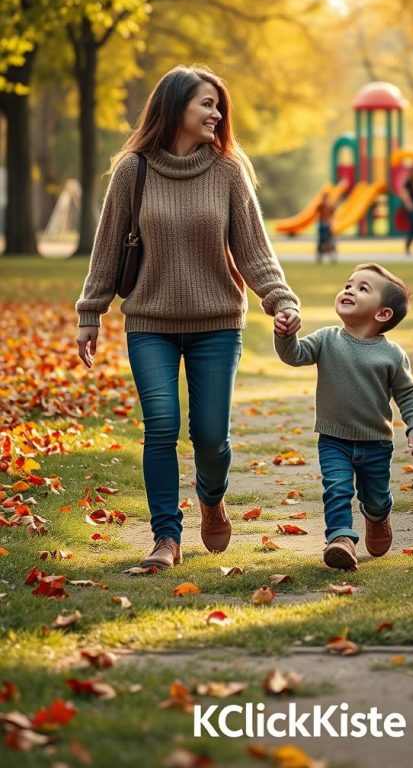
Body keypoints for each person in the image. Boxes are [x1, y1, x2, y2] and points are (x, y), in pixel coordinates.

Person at [76, 65, 300, 569]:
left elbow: (253, 250)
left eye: (220, 105)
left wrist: (280, 299)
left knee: (210, 437)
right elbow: (108, 246)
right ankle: (166, 539)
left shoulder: (227, 171)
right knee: (160, 425)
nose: (217, 114)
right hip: (150, 322)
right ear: (176, 106)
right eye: (207, 103)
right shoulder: (133, 170)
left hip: (217, 323)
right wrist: (91, 311)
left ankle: (211, 496)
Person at [273, 263, 413, 572]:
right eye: (348, 285)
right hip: (334, 440)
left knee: (375, 497)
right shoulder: (327, 339)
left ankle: (378, 515)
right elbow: (295, 355)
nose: (348, 290)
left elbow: (408, 394)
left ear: (382, 314)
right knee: (337, 488)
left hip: (376, 443)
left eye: (362, 289)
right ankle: (341, 539)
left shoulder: (393, 355)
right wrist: (286, 335)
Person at [316, 194, 337, 263]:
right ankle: (326, 258)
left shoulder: (322, 204)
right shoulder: (326, 205)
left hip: (324, 224)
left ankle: (323, 258)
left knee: (326, 241)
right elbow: (333, 211)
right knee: (327, 241)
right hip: (326, 224)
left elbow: (317, 210)